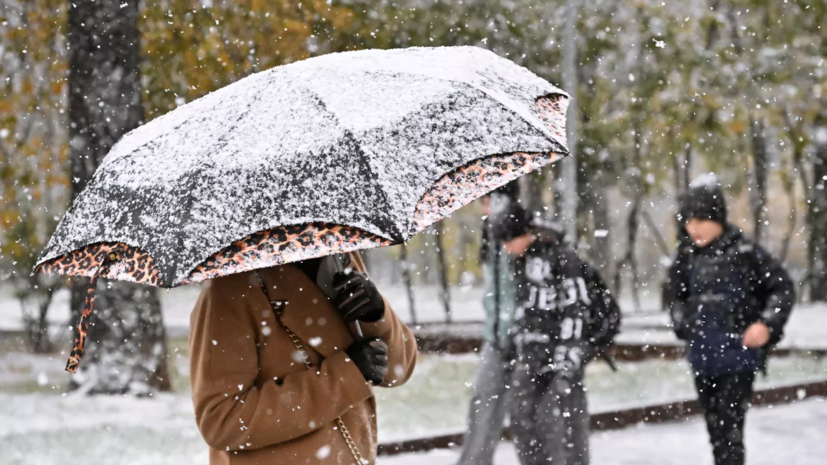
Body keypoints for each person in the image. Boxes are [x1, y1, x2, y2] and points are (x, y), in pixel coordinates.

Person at [188, 251, 417, 465]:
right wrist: (345, 376)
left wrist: (376, 315)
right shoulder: (231, 286)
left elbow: (398, 370)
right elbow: (222, 420)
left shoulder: (338, 254)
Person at [669, 173, 795, 465]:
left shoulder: (745, 252)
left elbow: (782, 287)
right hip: (702, 357)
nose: (693, 228)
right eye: (688, 221)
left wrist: (766, 325)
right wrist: (681, 322)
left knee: (730, 430)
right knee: (715, 431)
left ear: (717, 219)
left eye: (700, 220)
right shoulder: (686, 256)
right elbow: (675, 296)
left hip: (738, 357)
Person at [500, 205, 621, 465]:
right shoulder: (521, 261)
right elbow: (525, 309)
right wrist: (515, 346)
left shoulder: (563, 258)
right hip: (532, 356)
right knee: (522, 420)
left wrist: (568, 360)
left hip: (561, 357)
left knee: (563, 427)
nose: (506, 247)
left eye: (508, 240)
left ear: (525, 233)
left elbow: (575, 311)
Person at [457, 184, 520, 465]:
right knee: (482, 405)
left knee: (528, 416)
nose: (483, 208)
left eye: (486, 201)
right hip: (496, 339)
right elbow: (496, 294)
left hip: (523, 339)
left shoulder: (520, 231)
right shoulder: (490, 234)